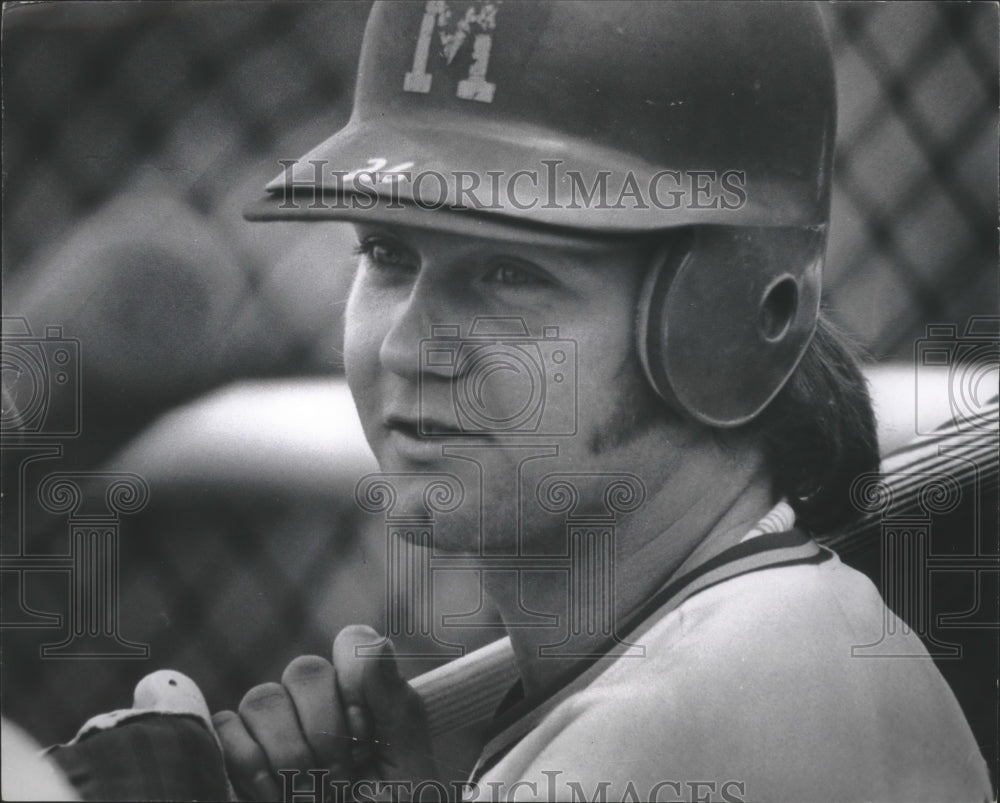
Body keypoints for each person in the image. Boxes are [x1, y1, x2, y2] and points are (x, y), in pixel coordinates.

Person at [54, 2, 993, 801]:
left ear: (738, 315)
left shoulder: (725, 696)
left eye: (508, 272)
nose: (409, 344)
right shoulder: (719, 654)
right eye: (387, 253)